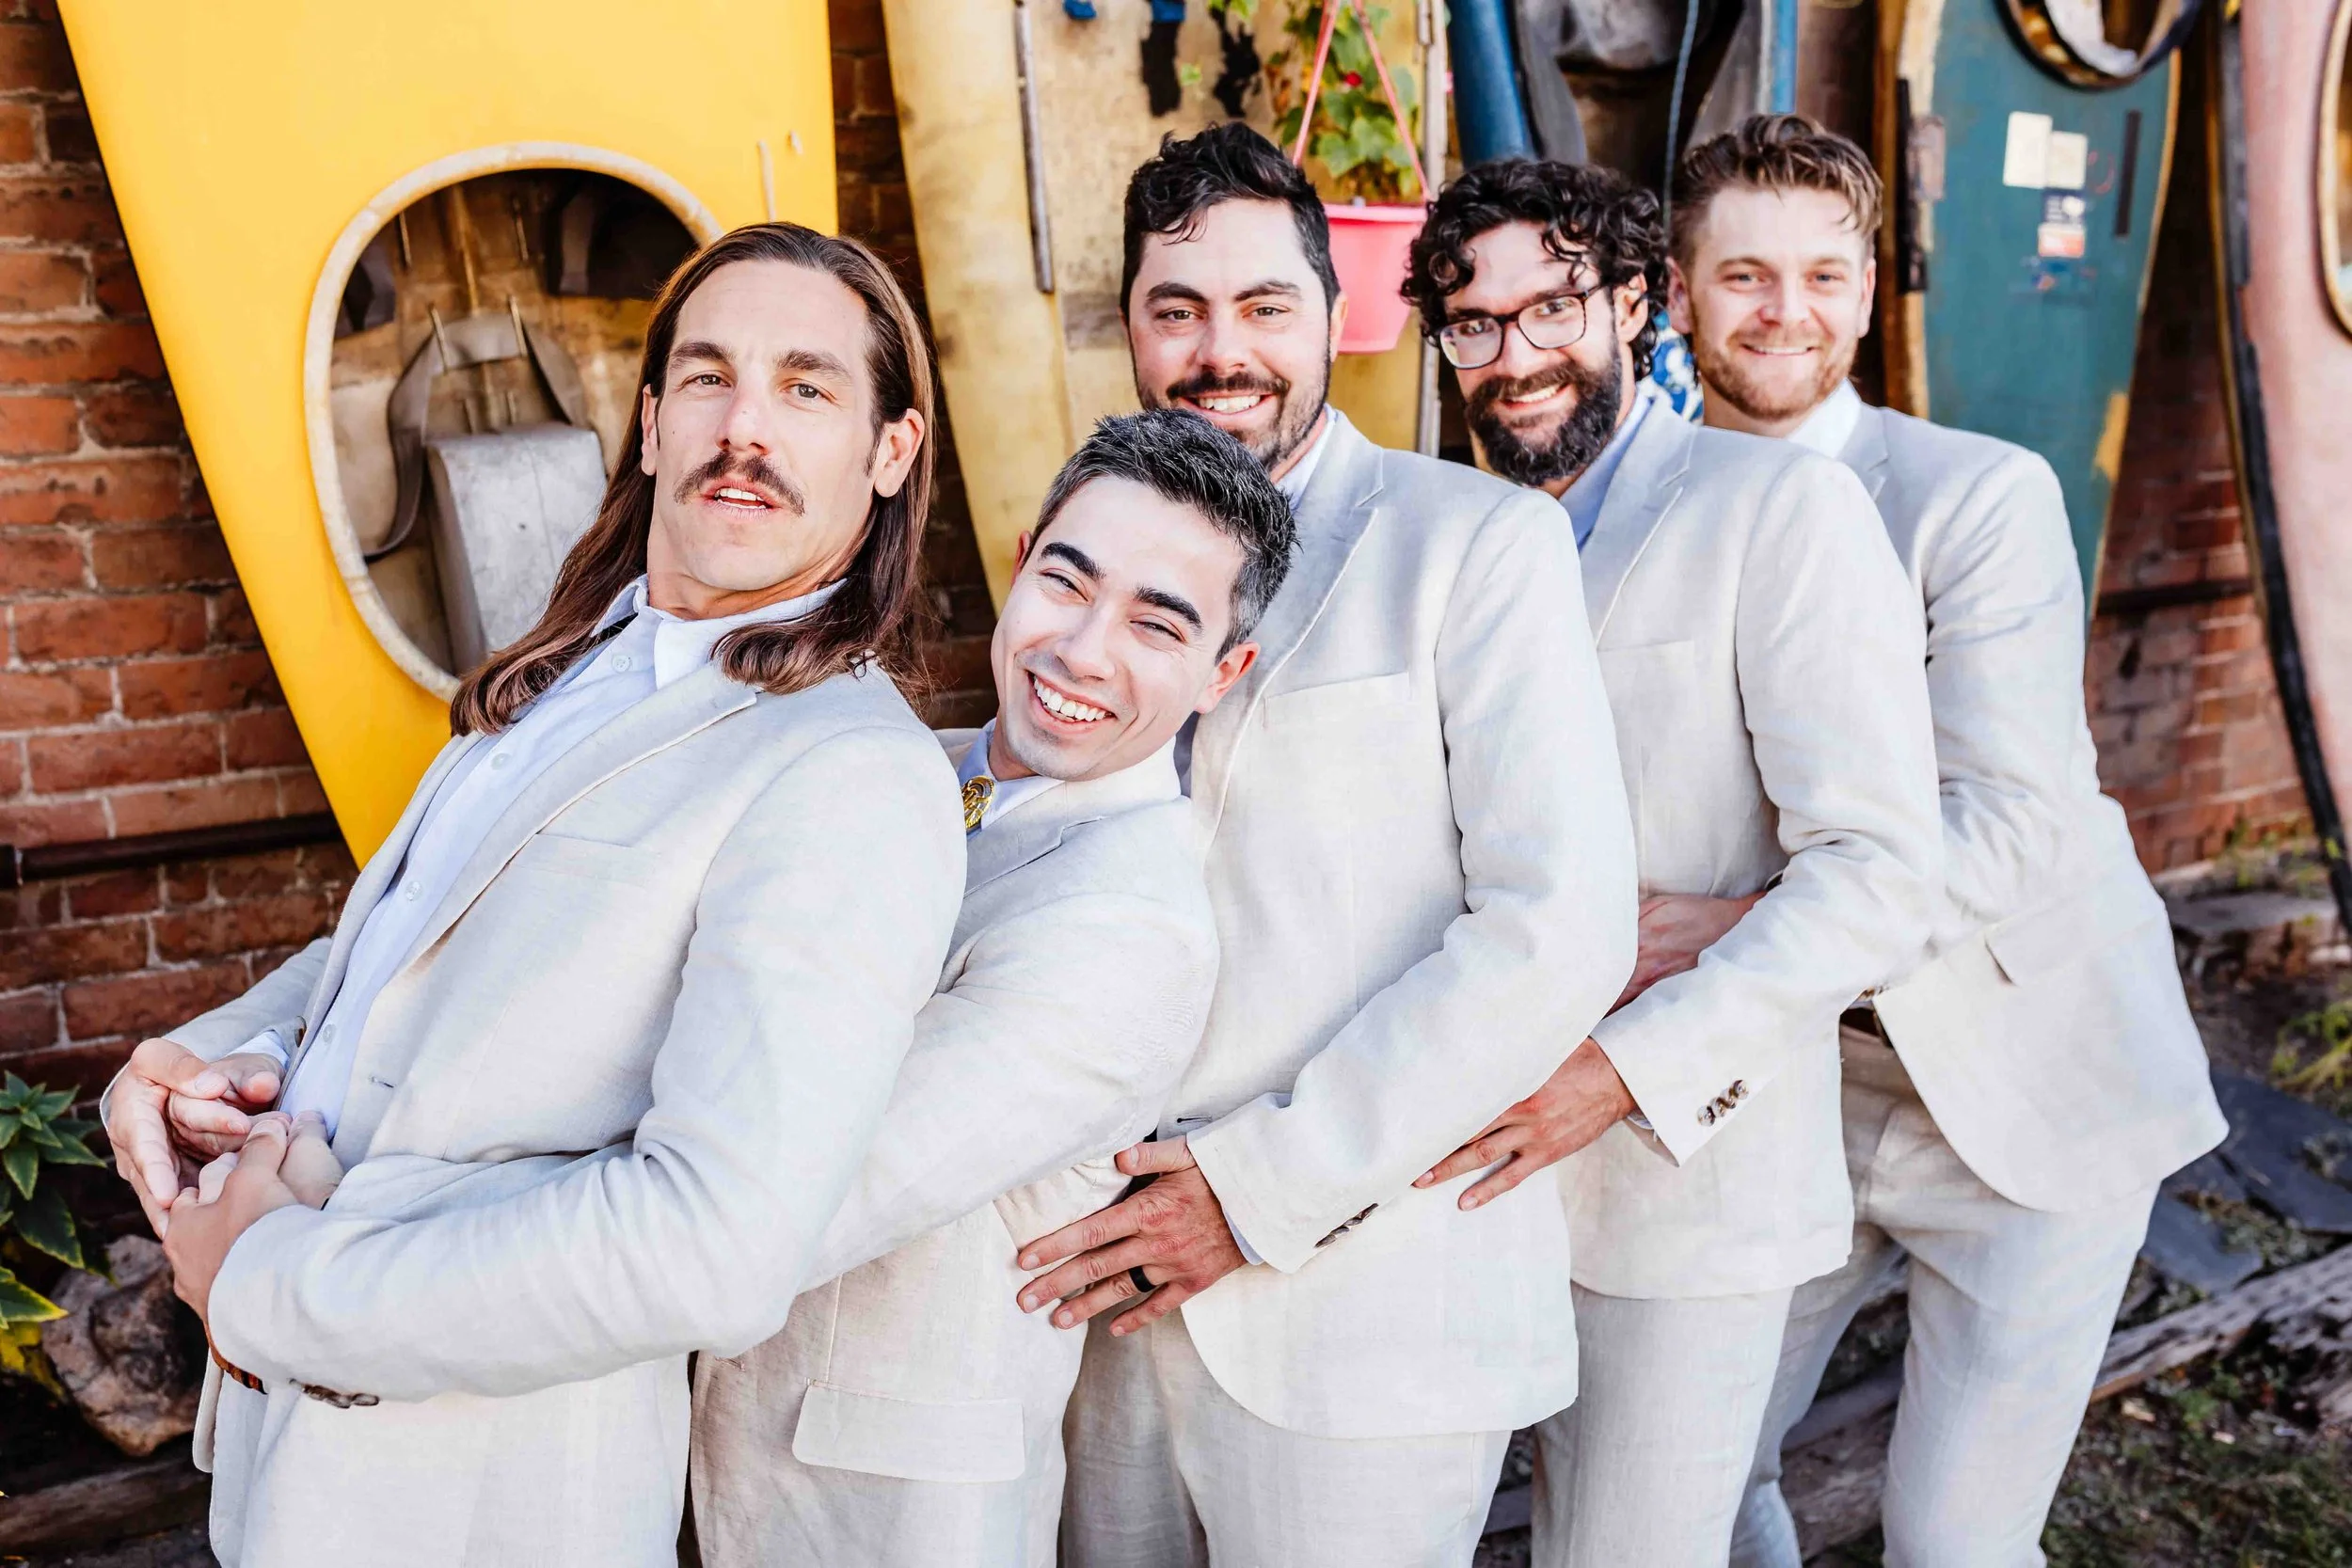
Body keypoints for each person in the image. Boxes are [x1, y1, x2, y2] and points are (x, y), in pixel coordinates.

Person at [101, 223, 968, 1568]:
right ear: (647, 420)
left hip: (472, 1492)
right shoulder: (573, 664)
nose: (745, 425)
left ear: (891, 450)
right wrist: (209, 1055)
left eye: (807, 388)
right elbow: (412, 950)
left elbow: (709, 1245)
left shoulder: (849, 774)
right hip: (291, 1460)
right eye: (707, 377)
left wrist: (273, 1282)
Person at [1019, 124, 1639, 1568]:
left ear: (1337, 319)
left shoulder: (1473, 543)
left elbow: (1555, 927)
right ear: (1132, 332)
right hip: (1093, 1291)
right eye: (1177, 311)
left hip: (1362, 1299)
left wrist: (1252, 1188)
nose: (1218, 350)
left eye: (1261, 307)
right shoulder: (1083, 538)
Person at [1655, 115, 2229, 1566]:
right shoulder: (1639, 507)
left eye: (1824, 275)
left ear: (1865, 286)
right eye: (1746, 276)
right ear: (1677, 293)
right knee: (1692, 1478)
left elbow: (2015, 818)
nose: (1787, 312)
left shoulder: (1976, 496)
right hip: (1790, 1091)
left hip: (2036, 1073)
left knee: (1954, 1539)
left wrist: (1721, 929)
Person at [1399, 157, 1944, 1565]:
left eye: (1555, 307)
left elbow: (1880, 873)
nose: (1515, 358)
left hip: (1681, 1173)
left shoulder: (1778, 511)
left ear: (1637, 301)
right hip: (1451, 1170)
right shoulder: (1443, 536)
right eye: (1474, 322)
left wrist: (1620, 1071)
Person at [689, 409, 1292, 1566]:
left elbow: (811, 1190)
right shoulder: (897, 759)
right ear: (1020, 565)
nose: (1081, 650)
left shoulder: (1131, 927)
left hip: (875, 1510)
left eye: (1156, 625)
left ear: (1225, 672)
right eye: (1069, 582)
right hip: (693, 1450)